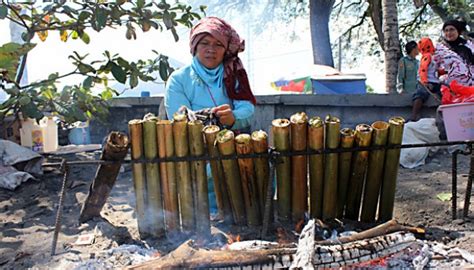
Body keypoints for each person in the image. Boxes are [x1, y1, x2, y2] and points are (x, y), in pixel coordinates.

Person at [164, 17, 256, 132]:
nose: (211, 49)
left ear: (226, 50)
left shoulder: (233, 75)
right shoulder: (178, 79)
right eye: (204, 43)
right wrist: (210, 119)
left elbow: (247, 109)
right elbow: (179, 119)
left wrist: (233, 117)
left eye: (218, 44)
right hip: (191, 146)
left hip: (230, 144)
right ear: (195, 47)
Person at [433, 20, 474, 86]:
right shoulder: (440, 49)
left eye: (452, 29)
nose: (449, 33)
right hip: (453, 84)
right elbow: (434, 67)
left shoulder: (469, 44)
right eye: (446, 30)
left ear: (458, 31)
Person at [411, 38, 442, 121]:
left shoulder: (434, 57)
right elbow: (423, 69)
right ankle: (414, 116)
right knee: (420, 94)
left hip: (435, 82)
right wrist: (425, 82)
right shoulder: (427, 56)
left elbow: (438, 70)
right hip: (425, 81)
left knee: (444, 93)